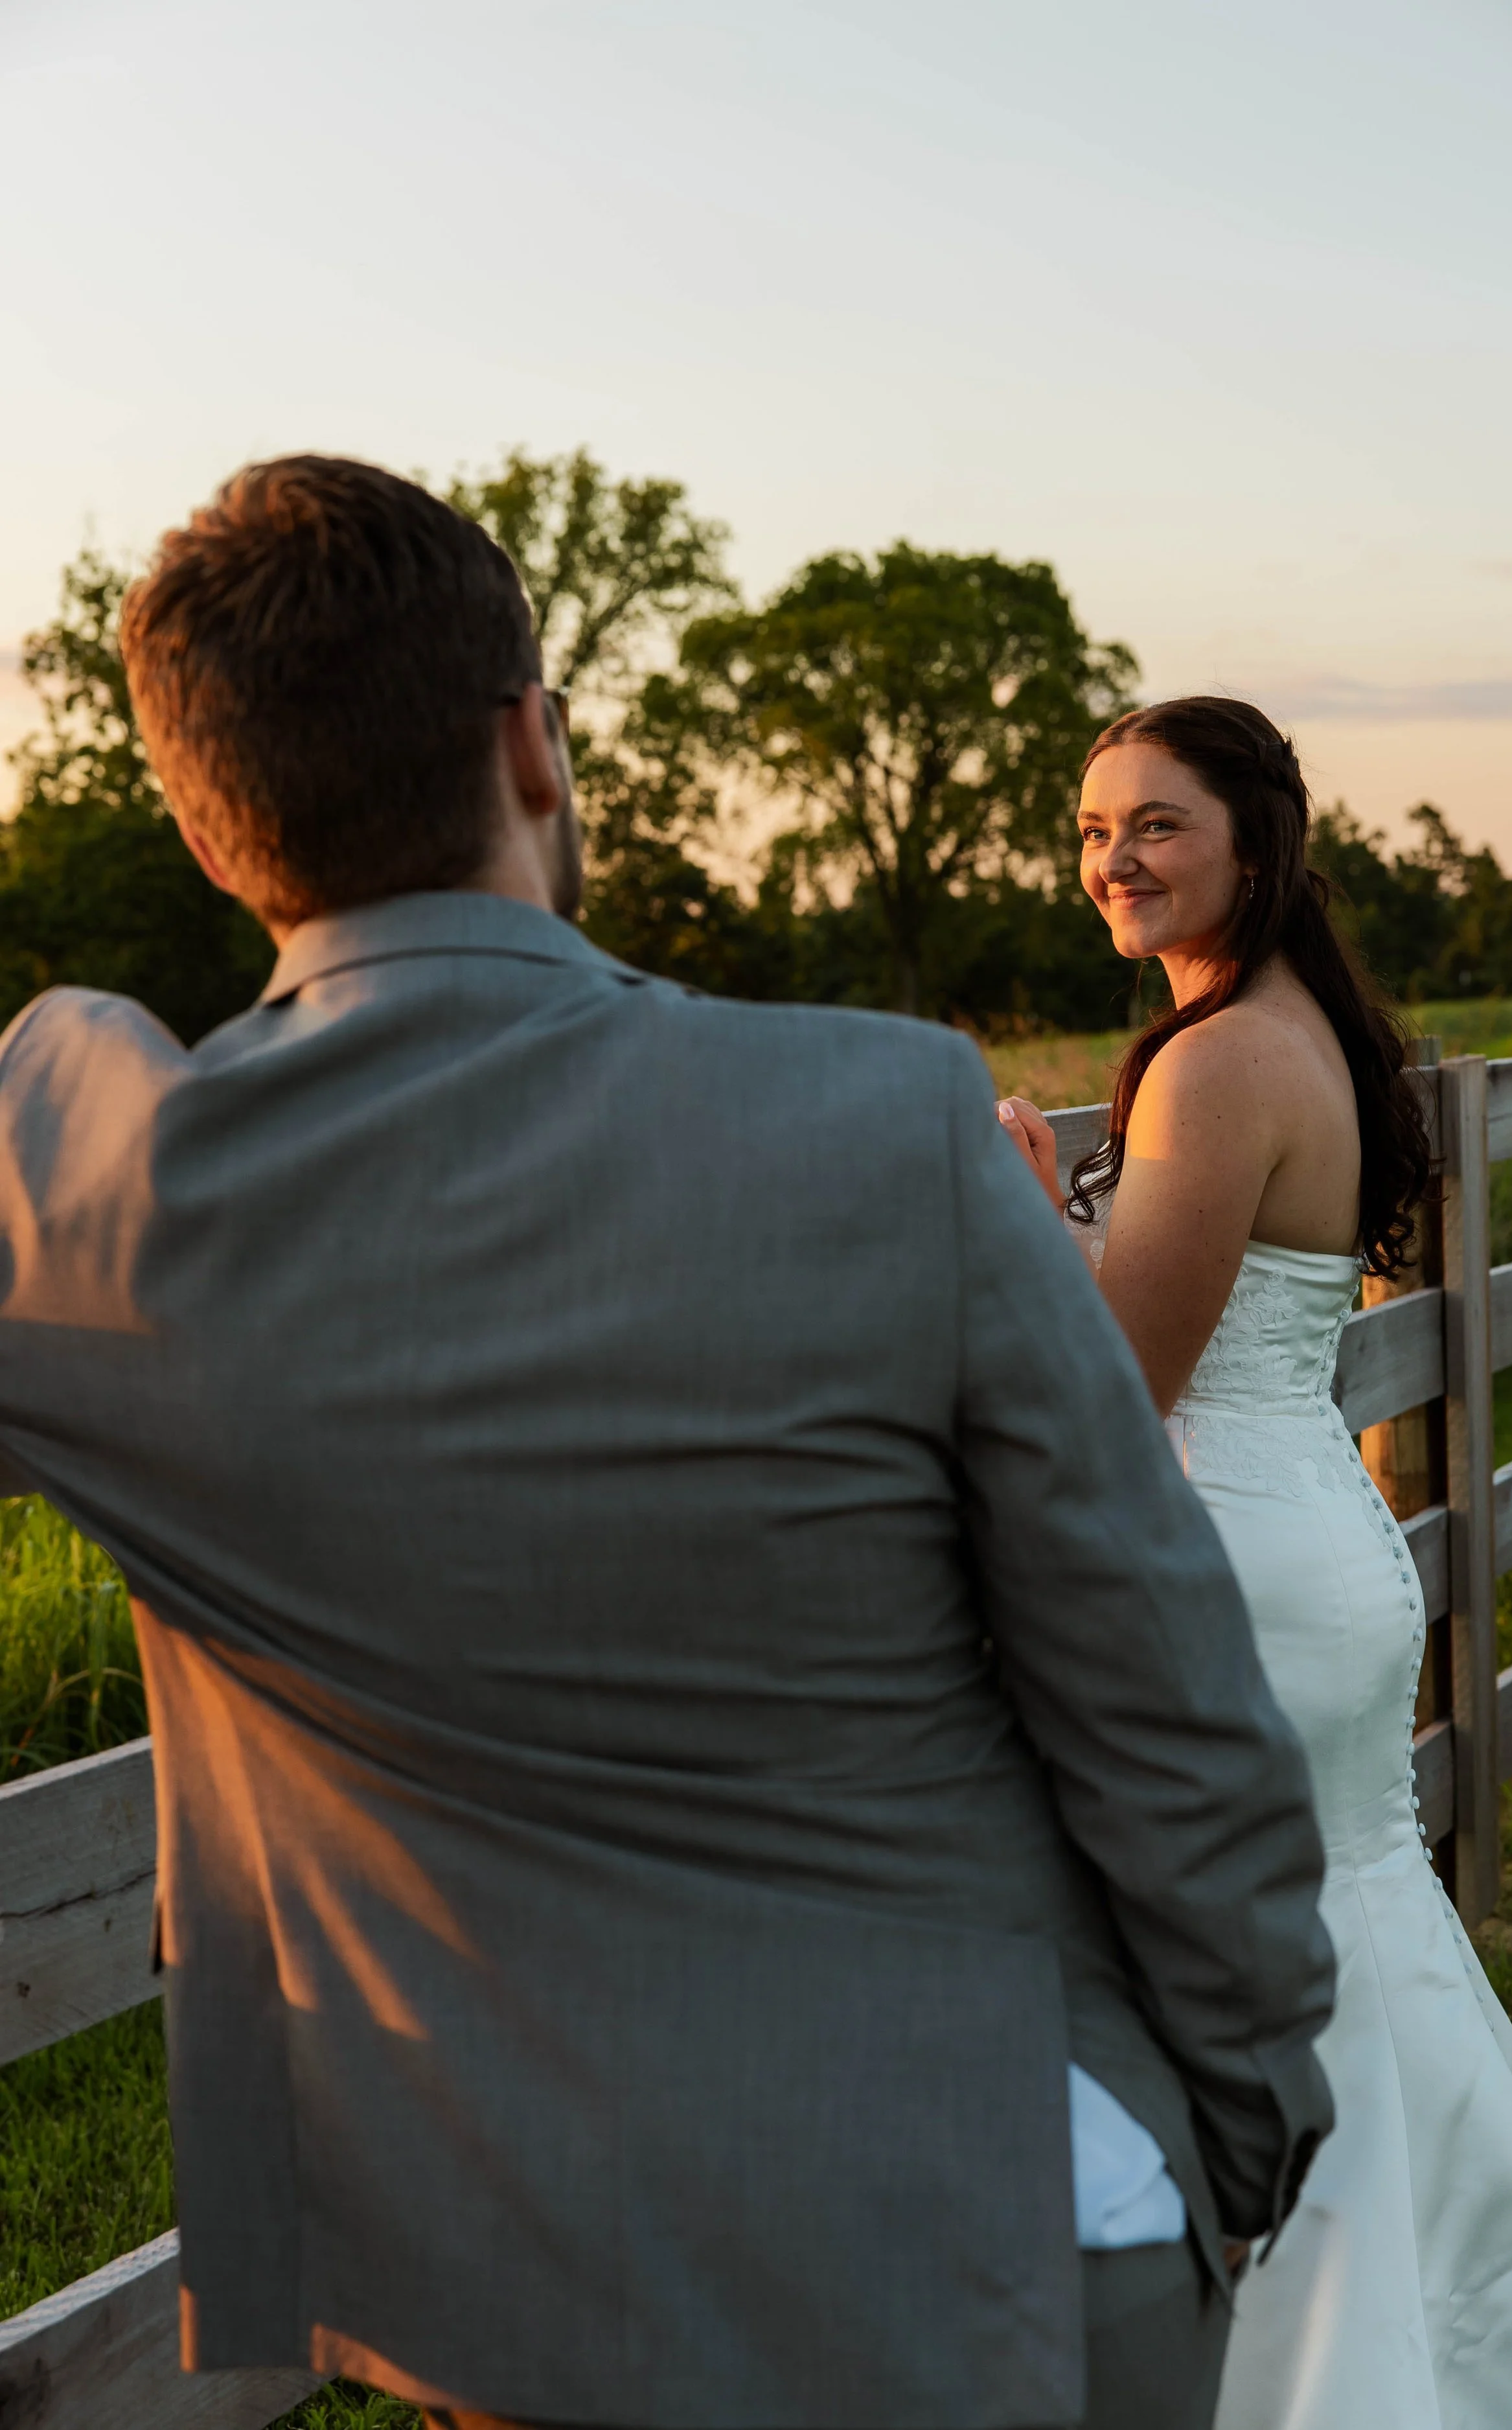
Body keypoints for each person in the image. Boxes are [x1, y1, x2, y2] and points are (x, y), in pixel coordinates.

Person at [0, 465, 1334, 2430]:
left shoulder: (87, 1200)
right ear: (535, 746)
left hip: (500, 2283)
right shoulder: (881, 1119)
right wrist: (1246, 2127)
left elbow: (54, 1070)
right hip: (1001, 2224)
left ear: (208, 833)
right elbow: (1167, 1703)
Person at [998, 695, 1512, 2428]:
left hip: (1233, 1566)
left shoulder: (1217, 1059)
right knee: (1351, 1928)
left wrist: (1017, 1210)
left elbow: (1113, 1383)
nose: (1108, 858)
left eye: (1153, 823)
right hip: (1302, 1538)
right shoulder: (1294, 1032)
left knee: (1258, 1958)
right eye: (1087, 826)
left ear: (1251, 844)